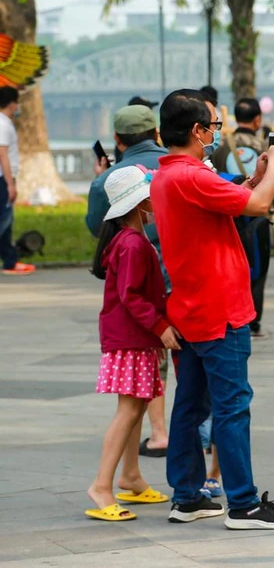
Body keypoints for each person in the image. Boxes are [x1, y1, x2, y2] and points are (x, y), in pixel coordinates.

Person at [152, 88, 274, 530]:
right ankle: (244, 504)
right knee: (232, 406)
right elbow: (257, 206)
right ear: (197, 131)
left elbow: (235, 200)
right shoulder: (191, 176)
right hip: (219, 309)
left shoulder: (170, 175)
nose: (217, 133)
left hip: (191, 307)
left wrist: (255, 176)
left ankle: (186, 495)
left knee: (191, 405)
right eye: (214, 127)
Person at [86, 165, 180, 522]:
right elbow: (131, 296)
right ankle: (101, 485)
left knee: (137, 408)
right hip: (130, 339)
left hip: (134, 338)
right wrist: (160, 327)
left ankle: (129, 476)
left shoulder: (132, 241)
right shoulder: (131, 244)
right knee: (128, 411)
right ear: (136, 204)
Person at [86, 104, 171, 458]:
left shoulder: (109, 181)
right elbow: (132, 295)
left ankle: (153, 443)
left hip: (134, 324)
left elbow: (96, 226)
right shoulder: (175, 169)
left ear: (118, 140)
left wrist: (101, 176)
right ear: (156, 133)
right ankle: (106, 483)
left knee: (138, 396)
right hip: (155, 309)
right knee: (135, 399)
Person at [211, 97, 274, 339]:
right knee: (257, 270)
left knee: (233, 268)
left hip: (228, 216)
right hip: (257, 217)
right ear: (257, 119)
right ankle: (253, 322)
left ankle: (234, 316)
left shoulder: (222, 147)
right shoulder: (265, 147)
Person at [0, 87, 33, 276]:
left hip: (4, 178)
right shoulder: (3, 125)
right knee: (3, 219)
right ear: (12, 103)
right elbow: (3, 155)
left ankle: (10, 260)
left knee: (7, 222)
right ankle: (10, 259)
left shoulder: (5, 123)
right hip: (2, 179)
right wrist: (10, 184)